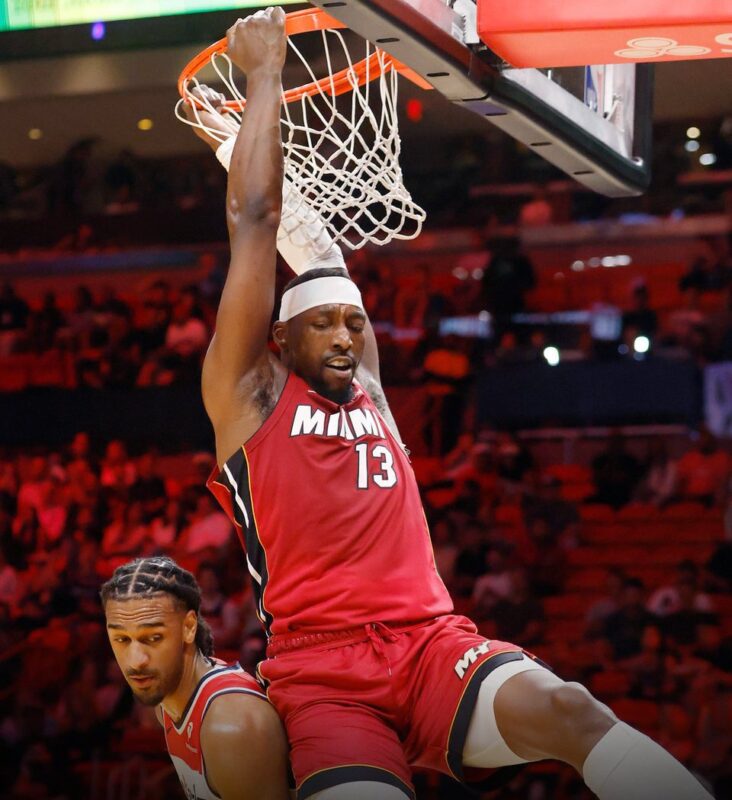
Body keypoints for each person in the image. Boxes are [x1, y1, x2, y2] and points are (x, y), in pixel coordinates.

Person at [189, 8, 714, 799]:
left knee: (572, 710)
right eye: (322, 322)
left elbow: (320, 251)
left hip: (432, 646)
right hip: (323, 671)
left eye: (355, 323)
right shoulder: (248, 396)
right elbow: (258, 223)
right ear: (277, 340)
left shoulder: (369, 392)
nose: (343, 334)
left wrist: (241, 144)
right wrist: (262, 77)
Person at [101, 556, 289, 800]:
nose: (136, 660)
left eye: (154, 637)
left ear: (189, 627)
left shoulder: (231, 725)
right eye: (122, 639)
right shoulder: (167, 700)